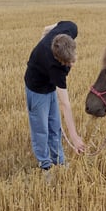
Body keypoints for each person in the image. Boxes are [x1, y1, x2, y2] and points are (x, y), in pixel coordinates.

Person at [24, 21, 87, 171]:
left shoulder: (70, 28)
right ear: (58, 59)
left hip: (49, 83)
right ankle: (45, 165)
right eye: (67, 62)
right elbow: (65, 104)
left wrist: (40, 45)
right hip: (37, 87)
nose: (72, 64)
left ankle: (59, 160)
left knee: (55, 125)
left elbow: (46, 28)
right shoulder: (54, 68)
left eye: (73, 59)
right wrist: (75, 138)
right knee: (41, 129)